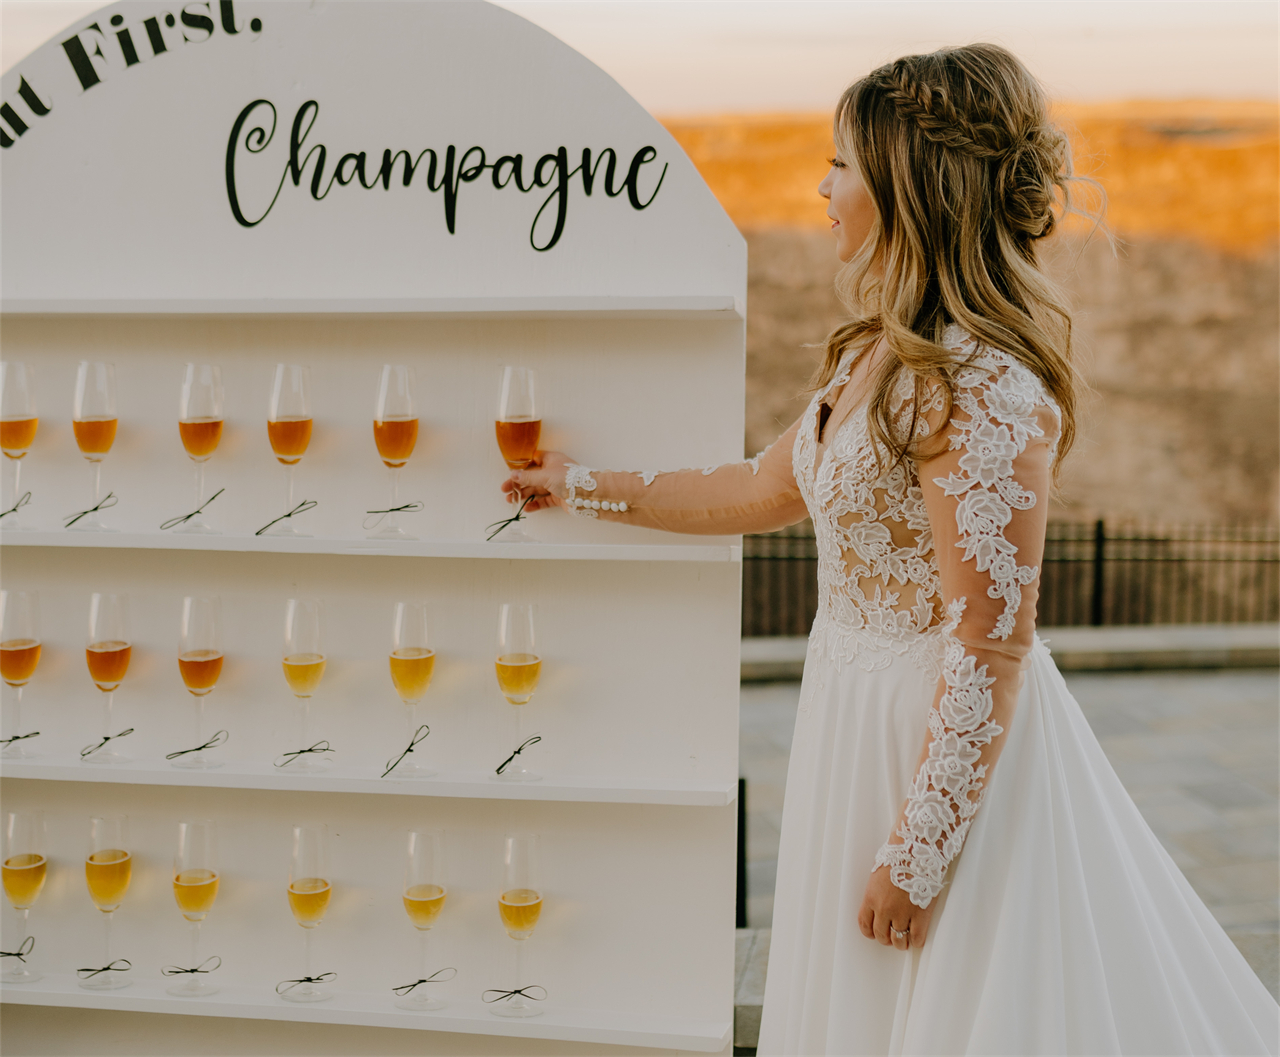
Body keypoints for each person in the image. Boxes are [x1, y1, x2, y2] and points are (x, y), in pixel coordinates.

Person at [502, 44, 1279, 1056]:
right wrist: (578, 487)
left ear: (909, 187)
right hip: (849, 722)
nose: (818, 187)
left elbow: (988, 643)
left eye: (838, 164)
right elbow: (754, 487)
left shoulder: (985, 385)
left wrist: (916, 857)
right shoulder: (877, 354)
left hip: (934, 761)